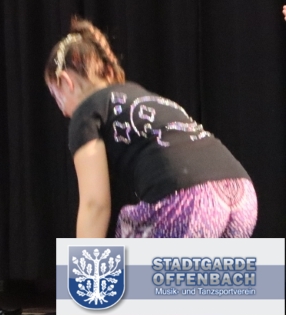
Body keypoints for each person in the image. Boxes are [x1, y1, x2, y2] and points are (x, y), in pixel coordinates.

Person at [45, 17, 257, 238]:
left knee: (119, 254)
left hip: (190, 200)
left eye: (57, 97)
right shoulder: (137, 94)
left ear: (66, 81)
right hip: (242, 194)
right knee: (204, 264)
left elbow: (95, 204)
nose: (64, 112)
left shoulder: (86, 111)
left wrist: (83, 260)